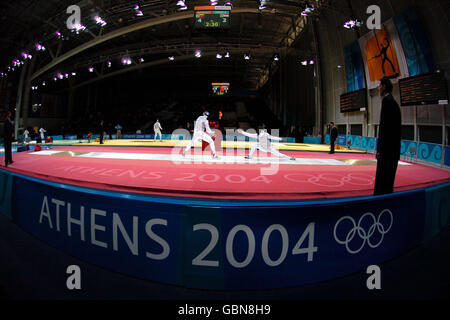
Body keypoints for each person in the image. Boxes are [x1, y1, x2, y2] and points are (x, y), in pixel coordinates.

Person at [374, 77, 402, 195]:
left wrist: (379, 149)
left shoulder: (386, 101)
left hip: (386, 151)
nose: (378, 88)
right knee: (388, 183)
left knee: (382, 183)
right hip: (393, 151)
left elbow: (384, 128)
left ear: (384, 86)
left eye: (380, 85)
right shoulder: (394, 102)